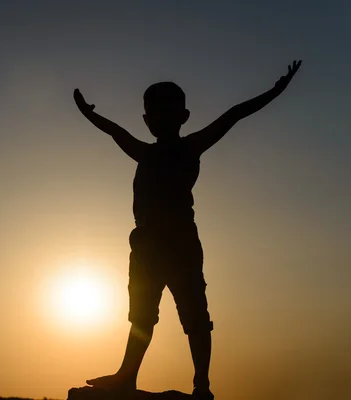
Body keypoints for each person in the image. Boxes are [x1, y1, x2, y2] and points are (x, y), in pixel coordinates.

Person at [73, 60, 302, 399]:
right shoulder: (144, 153)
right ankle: (126, 376)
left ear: (183, 117)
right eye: (153, 113)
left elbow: (235, 113)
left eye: (168, 111)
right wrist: (88, 113)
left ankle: (201, 385)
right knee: (142, 316)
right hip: (146, 244)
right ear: (147, 120)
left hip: (180, 242)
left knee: (194, 315)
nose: (160, 119)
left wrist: (276, 90)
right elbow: (114, 131)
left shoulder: (190, 146)